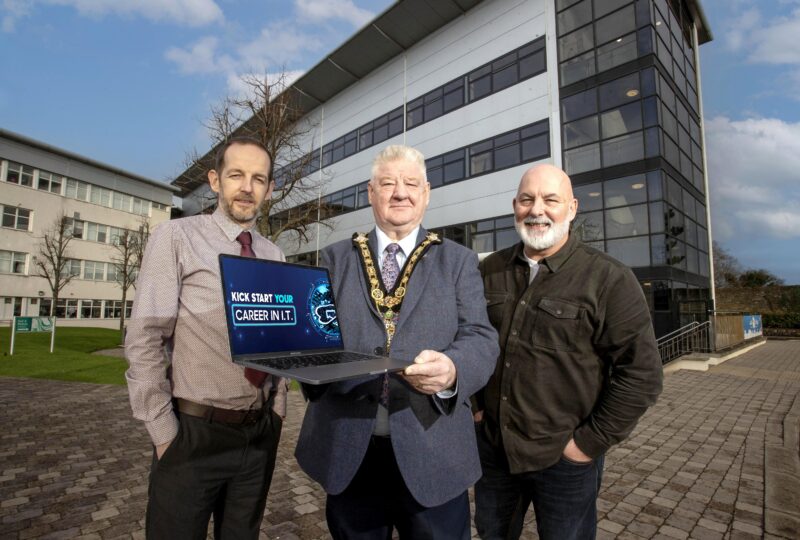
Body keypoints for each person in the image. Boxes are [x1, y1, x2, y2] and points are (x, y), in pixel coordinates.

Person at [295, 145, 499, 539]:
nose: (399, 192)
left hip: (434, 452)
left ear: (426, 192)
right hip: (350, 451)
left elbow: (481, 336)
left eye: (410, 183)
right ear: (371, 193)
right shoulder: (334, 258)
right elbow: (314, 338)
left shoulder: (457, 261)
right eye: (388, 183)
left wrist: (454, 368)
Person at [473, 164, 663, 540]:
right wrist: (475, 406)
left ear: (572, 208)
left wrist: (586, 445)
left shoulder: (609, 278)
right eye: (527, 199)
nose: (537, 210)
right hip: (495, 452)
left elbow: (641, 374)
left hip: (564, 459)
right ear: (515, 206)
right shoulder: (488, 269)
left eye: (550, 200)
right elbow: (470, 340)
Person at [125, 137, 287, 540]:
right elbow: (145, 336)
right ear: (215, 181)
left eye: (258, 178)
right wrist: (164, 433)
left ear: (269, 189)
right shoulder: (176, 238)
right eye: (236, 175)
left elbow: (280, 341)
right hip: (193, 435)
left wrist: (277, 411)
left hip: (257, 437)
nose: (247, 187)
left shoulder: (275, 255)